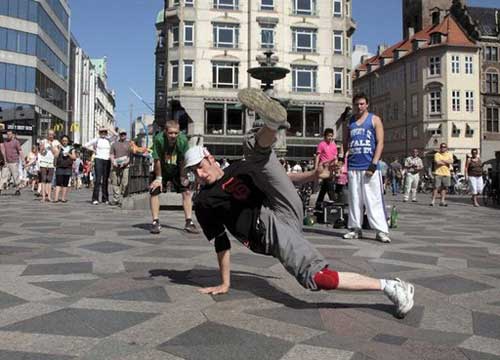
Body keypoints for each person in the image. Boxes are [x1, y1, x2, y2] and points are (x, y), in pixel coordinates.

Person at [185, 88, 414, 318]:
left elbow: (282, 180)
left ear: (210, 157)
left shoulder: (237, 169)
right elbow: (221, 242)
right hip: (267, 229)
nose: (200, 174)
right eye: (194, 171)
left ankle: (392, 287)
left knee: (254, 155)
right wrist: (225, 283)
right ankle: (272, 124)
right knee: (317, 278)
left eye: (200, 166)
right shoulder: (204, 201)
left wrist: (313, 176)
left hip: (281, 206)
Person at [342, 93, 391, 243]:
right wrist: (342, 161)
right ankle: (355, 228)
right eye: (357, 104)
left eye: (362, 104)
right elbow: (345, 142)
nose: (359, 106)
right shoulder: (349, 122)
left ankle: (381, 230)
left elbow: (380, 143)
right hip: (353, 166)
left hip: (369, 165)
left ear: (367, 104)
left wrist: (374, 163)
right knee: (355, 199)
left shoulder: (374, 120)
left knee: (373, 199)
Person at [149, 120, 199, 234]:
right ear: (165, 132)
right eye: (171, 133)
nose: (173, 136)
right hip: (162, 168)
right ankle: (155, 222)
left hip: (177, 168)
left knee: (186, 191)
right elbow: (156, 159)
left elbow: (183, 160)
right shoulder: (158, 139)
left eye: (176, 133)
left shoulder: (182, 140)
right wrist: (159, 178)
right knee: (154, 190)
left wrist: (183, 176)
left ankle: (189, 222)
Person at [84, 127, 112, 205]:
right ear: (99, 133)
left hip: (107, 159)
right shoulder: (96, 139)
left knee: (105, 179)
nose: (103, 133)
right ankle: (95, 198)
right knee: (98, 179)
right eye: (102, 132)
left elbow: (116, 135)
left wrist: (109, 129)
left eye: (104, 132)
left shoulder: (109, 139)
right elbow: (85, 145)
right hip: (99, 159)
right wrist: (94, 150)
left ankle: (105, 198)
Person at [314, 128, 338, 208]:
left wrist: (336, 167)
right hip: (324, 167)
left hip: (331, 168)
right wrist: (316, 167)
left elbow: (335, 157)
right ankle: (333, 201)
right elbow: (318, 156)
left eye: (331, 136)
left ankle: (318, 203)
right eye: (329, 136)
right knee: (329, 185)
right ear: (325, 136)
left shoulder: (334, 145)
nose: (330, 138)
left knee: (324, 187)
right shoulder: (321, 144)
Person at [110, 129, 132, 206]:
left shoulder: (129, 144)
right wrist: (113, 162)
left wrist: (126, 162)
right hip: (116, 165)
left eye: (124, 134)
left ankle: (123, 199)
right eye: (121, 134)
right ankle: (116, 199)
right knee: (115, 182)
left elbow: (130, 156)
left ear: (126, 135)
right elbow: (112, 155)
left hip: (126, 166)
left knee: (124, 182)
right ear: (119, 135)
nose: (123, 135)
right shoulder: (114, 144)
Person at [38, 130, 60, 202]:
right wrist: (42, 148)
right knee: (43, 179)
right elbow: (41, 152)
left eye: (52, 134)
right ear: (47, 135)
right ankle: (43, 197)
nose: (50, 136)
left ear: (54, 135)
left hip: (51, 162)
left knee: (49, 180)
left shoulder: (56, 142)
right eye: (49, 134)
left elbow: (56, 154)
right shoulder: (43, 141)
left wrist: (51, 146)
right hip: (43, 162)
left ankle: (49, 196)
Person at [0, 130, 24, 195]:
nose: (8, 136)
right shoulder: (5, 142)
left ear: (13, 135)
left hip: (14, 162)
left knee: (15, 176)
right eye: (7, 134)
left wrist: (23, 160)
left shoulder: (16, 142)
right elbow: (3, 151)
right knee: (3, 175)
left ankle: (18, 189)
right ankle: (0, 188)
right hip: (7, 162)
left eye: (9, 134)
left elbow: (20, 151)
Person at [53, 135, 76, 203]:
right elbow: (56, 156)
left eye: (66, 141)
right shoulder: (58, 147)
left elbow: (74, 157)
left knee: (65, 183)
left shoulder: (71, 148)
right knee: (58, 183)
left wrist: (68, 154)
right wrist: (60, 149)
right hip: (60, 167)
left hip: (68, 167)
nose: (64, 142)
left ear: (68, 141)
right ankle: (56, 198)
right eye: (63, 141)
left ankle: (63, 198)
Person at [430, 143, 453, 207]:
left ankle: (442, 201)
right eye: (442, 147)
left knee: (444, 188)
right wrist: (446, 161)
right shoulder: (437, 154)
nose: (443, 148)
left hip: (446, 173)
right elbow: (437, 162)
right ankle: (433, 201)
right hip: (438, 173)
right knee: (436, 187)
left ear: (446, 148)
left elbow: (451, 161)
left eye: (444, 147)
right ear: (440, 148)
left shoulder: (449, 154)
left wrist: (442, 161)